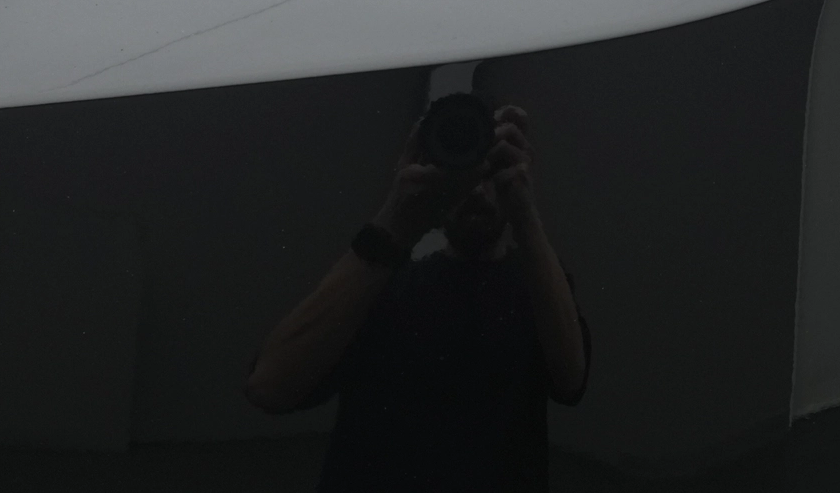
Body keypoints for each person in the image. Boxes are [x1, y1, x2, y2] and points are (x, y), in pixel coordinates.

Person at [245, 103, 590, 491]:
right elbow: (269, 386)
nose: (477, 188)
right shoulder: (380, 287)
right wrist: (397, 217)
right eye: (461, 167)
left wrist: (524, 212)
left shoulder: (538, 286)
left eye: (492, 169)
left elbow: (571, 378)